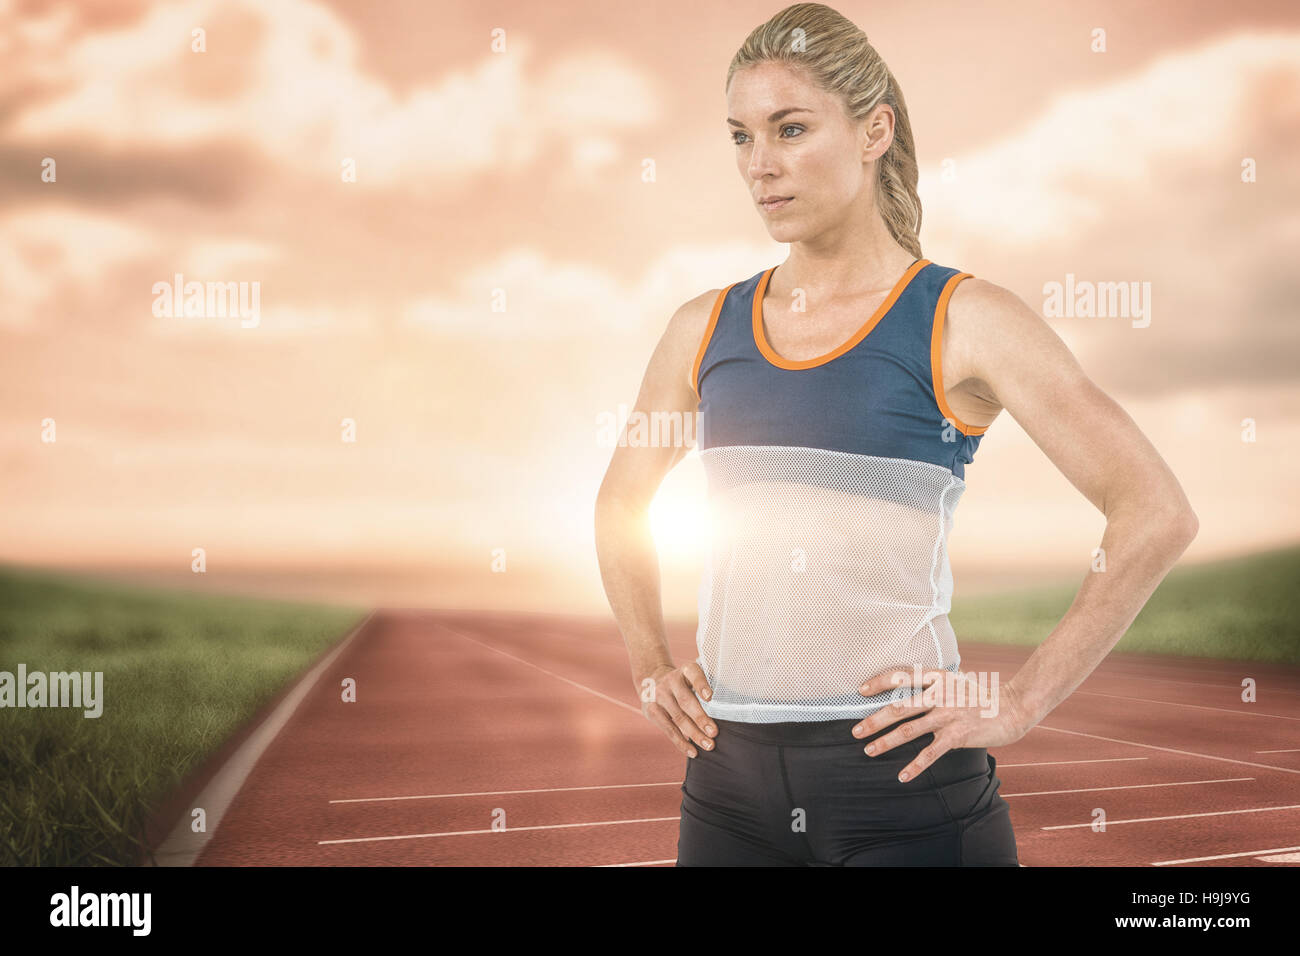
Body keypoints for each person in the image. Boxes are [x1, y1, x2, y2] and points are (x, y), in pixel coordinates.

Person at [593, 2, 1198, 866]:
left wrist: (1020, 703)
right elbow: (621, 502)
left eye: (791, 129)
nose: (760, 166)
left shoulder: (964, 320)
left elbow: (1155, 512)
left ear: (874, 130)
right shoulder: (703, 327)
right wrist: (651, 661)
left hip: (903, 786)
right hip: (725, 787)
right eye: (740, 136)